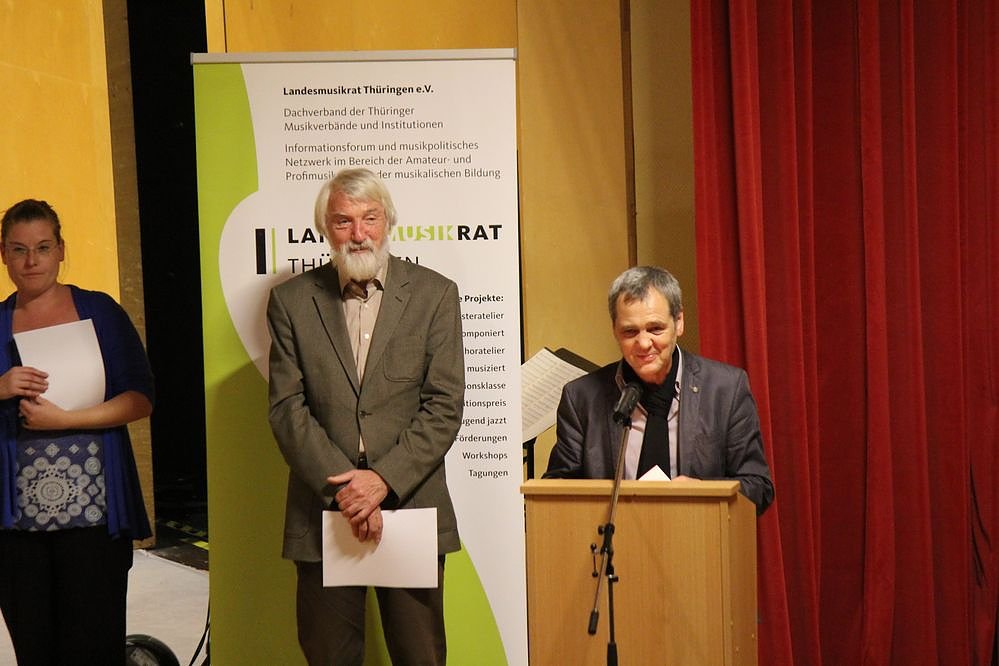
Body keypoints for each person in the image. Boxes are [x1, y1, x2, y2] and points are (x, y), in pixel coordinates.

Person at [267, 168, 465, 665]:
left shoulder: (435, 295)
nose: (358, 233)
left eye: (369, 218)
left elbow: (444, 404)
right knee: (329, 657)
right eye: (343, 221)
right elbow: (287, 409)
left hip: (410, 502)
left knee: (420, 657)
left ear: (388, 221)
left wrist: (381, 481)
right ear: (325, 229)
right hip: (323, 508)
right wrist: (347, 491)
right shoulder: (291, 301)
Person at [0, 199, 154, 664]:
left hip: (95, 518)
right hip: (16, 528)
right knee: (34, 651)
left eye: (43, 247)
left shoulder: (99, 311)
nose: (32, 261)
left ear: (61, 250)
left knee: (95, 649)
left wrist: (66, 420)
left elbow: (141, 398)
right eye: (19, 249)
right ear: (4, 255)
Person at [544, 265, 774, 513]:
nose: (644, 343)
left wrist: (705, 492)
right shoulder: (581, 398)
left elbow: (758, 487)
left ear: (679, 322)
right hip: (613, 536)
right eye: (630, 331)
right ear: (614, 330)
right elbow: (556, 492)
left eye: (655, 328)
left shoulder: (726, 389)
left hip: (698, 533)